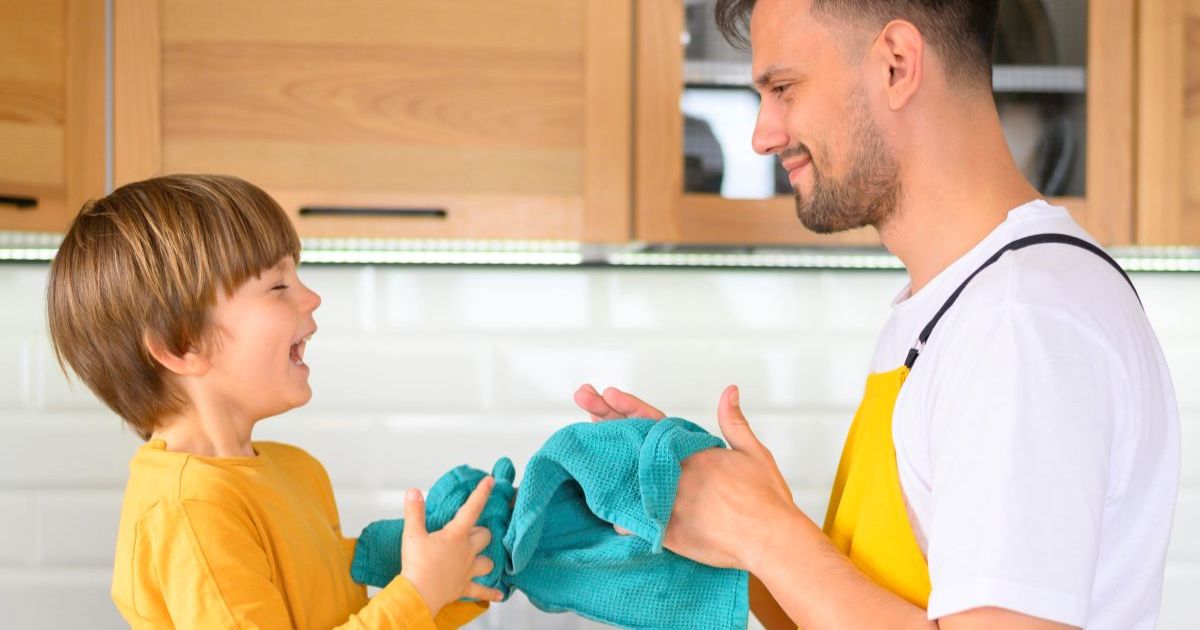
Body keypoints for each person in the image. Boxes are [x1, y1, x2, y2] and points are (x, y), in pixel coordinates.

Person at [576, 1, 1180, 628]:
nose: (763, 134)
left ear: (896, 65)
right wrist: (730, 524)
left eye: (783, 88)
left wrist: (766, 533)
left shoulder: (1021, 321)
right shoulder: (951, 304)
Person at [46, 174, 502, 628]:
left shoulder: (296, 471)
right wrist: (419, 592)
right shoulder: (189, 509)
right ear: (182, 344)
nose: (312, 297)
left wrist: (456, 581)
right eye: (278, 286)